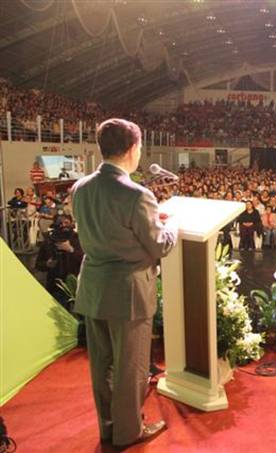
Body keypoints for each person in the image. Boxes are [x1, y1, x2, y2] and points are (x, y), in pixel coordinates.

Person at [72, 118, 177, 448]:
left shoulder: (80, 187)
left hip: (94, 287)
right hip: (128, 291)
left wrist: (149, 221)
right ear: (132, 149)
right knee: (130, 367)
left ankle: (108, 427)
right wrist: (171, 226)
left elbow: (106, 227)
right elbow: (159, 246)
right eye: (140, 147)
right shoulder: (137, 194)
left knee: (101, 364)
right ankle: (129, 431)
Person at [35, 214, 83, 303]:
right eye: (59, 223)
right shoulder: (48, 241)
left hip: (75, 285)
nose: (63, 225)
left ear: (72, 223)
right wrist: (47, 264)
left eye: (66, 222)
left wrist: (71, 250)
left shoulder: (79, 239)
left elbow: (86, 260)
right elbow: (38, 264)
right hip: (54, 286)